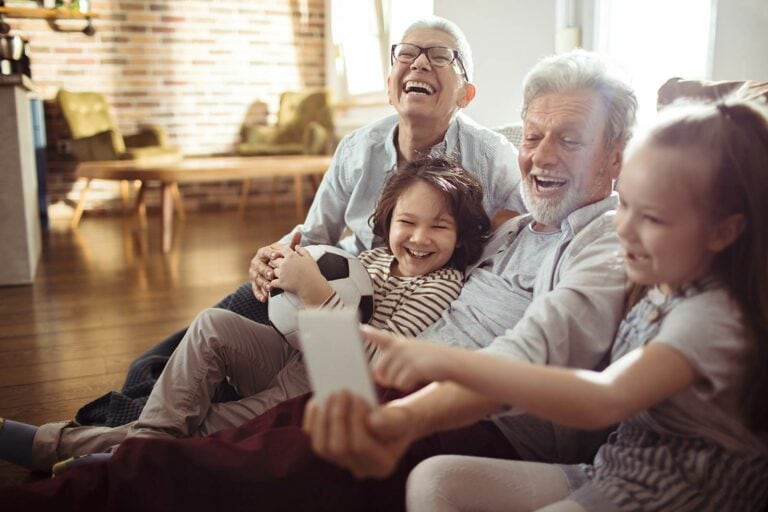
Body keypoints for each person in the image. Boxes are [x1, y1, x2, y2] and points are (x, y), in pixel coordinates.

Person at [1, 49, 637, 512]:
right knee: (216, 345)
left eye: (571, 140)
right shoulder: (510, 226)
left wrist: (399, 395)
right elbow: (346, 243)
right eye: (532, 136)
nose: (542, 154)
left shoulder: (601, 239)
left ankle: (89, 468)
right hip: (369, 351)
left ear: (615, 155)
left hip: (450, 407)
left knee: (237, 454)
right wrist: (279, 259)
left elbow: (547, 342)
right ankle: (118, 450)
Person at [74, 14, 525, 427]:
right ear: (390, 85)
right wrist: (272, 256)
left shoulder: (492, 156)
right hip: (343, 274)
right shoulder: (357, 148)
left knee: (222, 375)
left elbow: (523, 228)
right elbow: (311, 235)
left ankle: (128, 431)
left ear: (466, 93)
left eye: (440, 56)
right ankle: (138, 419)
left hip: (392, 310)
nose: (420, 63)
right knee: (171, 350)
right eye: (406, 53)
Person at [371, 97, 768, 511]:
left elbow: (605, 399)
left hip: (674, 493)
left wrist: (443, 361)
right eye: (625, 204)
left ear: (723, 232)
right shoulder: (664, 288)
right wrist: (406, 415)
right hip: (612, 469)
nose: (624, 230)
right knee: (434, 479)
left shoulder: (712, 317)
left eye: (652, 218)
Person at [0, 156, 491, 473]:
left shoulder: (439, 284)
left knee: (204, 425)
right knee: (213, 325)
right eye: (407, 221)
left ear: (461, 234)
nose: (419, 238)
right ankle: (143, 450)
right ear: (387, 222)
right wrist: (282, 270)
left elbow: (372, 362)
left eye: (439, 227)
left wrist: (316, 292)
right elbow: (306, 300)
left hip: (324, 387)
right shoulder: (374, 258)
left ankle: (81, 450)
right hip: (291, 354)